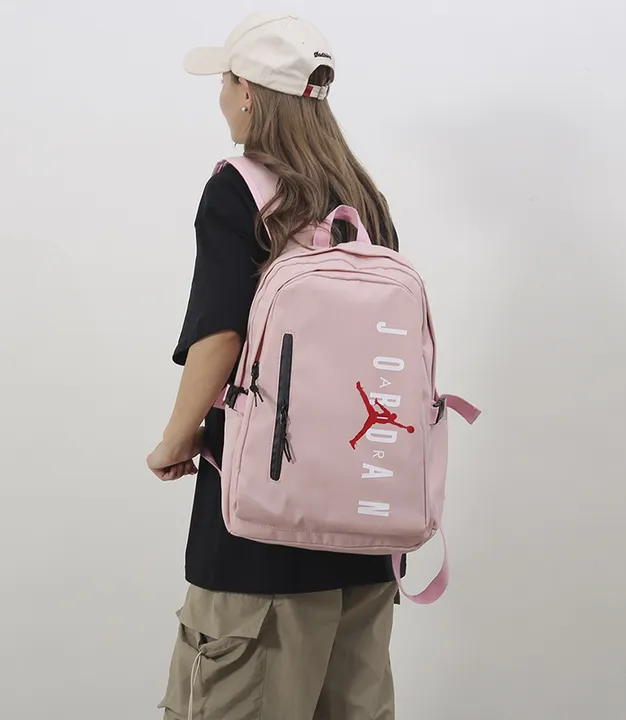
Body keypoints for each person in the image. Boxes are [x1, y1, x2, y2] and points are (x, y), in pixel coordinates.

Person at [147, 12, 401, 720]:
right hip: (367, 532)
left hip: (259, 533)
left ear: (250, 93)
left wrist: (176, 438)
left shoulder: (239, 189)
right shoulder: (365, 200)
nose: (222, 98)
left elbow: (220, 334)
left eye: (225, 83)